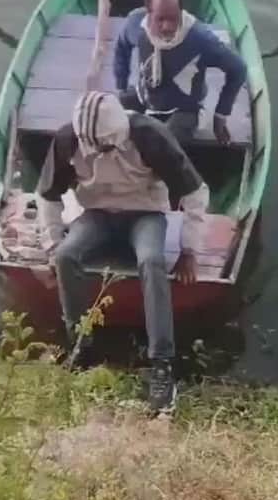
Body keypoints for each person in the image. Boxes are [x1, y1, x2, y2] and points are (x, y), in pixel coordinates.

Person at [35, 91, 209, 415]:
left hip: (145, 214)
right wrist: (51, 244)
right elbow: (47, 196)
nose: (98, 152)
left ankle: (162, 364)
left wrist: (189, 250)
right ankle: (81, 342)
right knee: (65, 256)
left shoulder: (149, 135)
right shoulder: (67, 139)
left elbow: (195, 192)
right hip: (97, 215)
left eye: (104, 147)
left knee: (152, 261)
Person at [113, 0, 248, 147]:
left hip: (184, 107)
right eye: (160, 19)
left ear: (181, 12)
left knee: (165, 142)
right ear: (149, 13)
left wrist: (220, 114)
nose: (167, 26)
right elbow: (122, 46)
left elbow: (238, 69)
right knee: (113, 116)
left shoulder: (200, 39)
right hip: (146, 95)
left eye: (173, 19)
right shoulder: (135, 25)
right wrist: (121, 83)